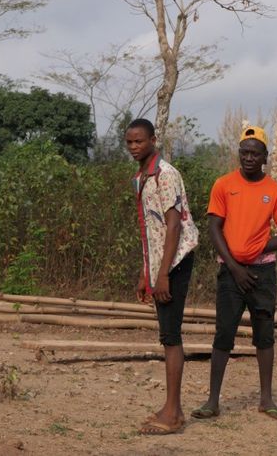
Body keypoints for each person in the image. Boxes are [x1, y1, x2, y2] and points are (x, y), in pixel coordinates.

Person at [192, 125, 277, 421]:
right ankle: (212, 401)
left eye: (255, 153)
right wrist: (235, 267)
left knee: (264, 332)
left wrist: (260, 247)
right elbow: (214, 228)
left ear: (265, 157)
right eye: (244, 152)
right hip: (230, 272)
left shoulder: (274, 191)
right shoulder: (223, 185)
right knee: (224, 333)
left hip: (262, 273)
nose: (248, 158)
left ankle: (266, 399)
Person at [125, 118, 198, 435]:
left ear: (153, 140)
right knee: (167, 335)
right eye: (129, 142)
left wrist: (164, 274)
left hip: (175, 261)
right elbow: (148, 232)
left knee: (171, 336)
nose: (134, 147)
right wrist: (147, 274)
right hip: (160, 263)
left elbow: (174, 226)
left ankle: (173, 413)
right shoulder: (141, 177)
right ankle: (173, 408)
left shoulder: (165, 175)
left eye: (139, 141)